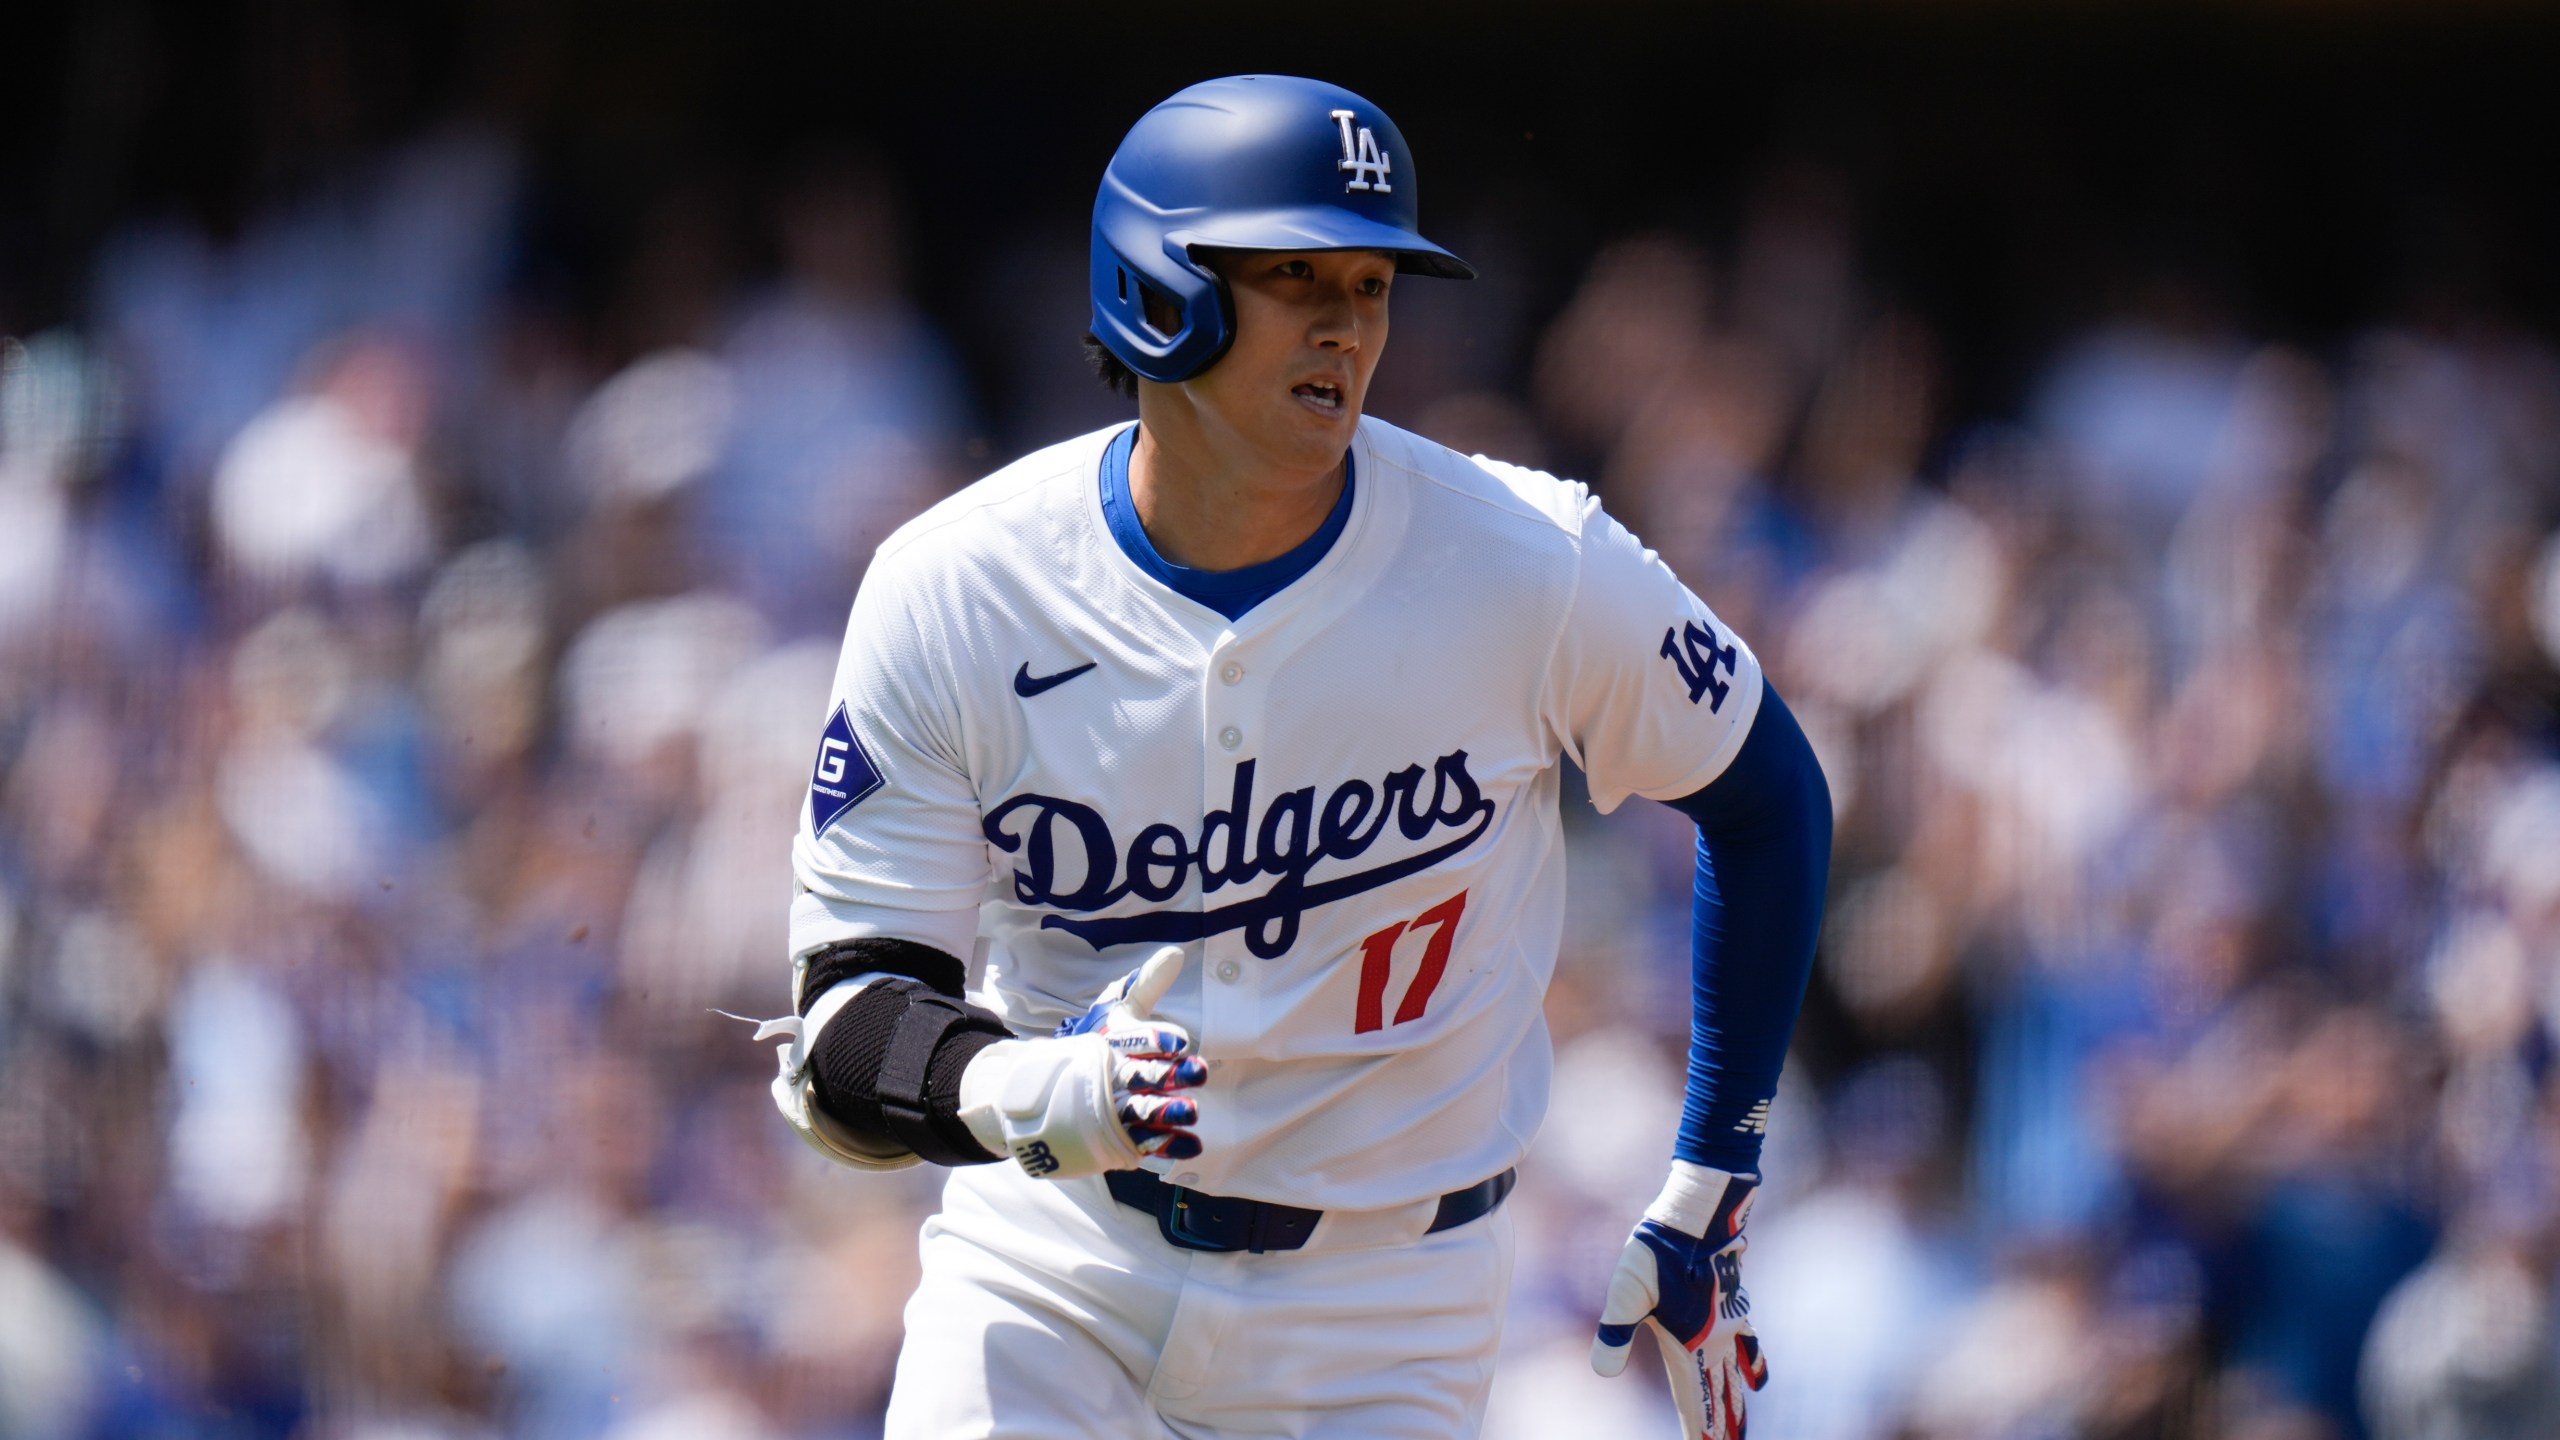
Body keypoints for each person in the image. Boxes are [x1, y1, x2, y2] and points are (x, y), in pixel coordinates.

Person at [754, 74, 1832, 1440]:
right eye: (1296, 277)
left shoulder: (1529, 559)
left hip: (1385, 1312)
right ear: (1157, 289)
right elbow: (848, 1032)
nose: (1348, 325)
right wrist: (1030, 1089)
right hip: (1056, 1266)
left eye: (1372, 285)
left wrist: (1715, 1174)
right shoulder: (958, 585)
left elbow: (1770, 796)